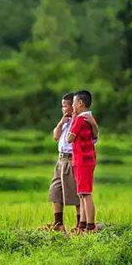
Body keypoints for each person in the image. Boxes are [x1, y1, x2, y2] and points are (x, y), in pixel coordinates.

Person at [45, 93, 81, 232]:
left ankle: (80, 224)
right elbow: (55, 136)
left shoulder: (78, 121)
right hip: (61, 160)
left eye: (65, 106)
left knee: (77, 193)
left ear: (73, 106)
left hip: (72, 159)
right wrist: (61, 121)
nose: (63, 108)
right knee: (55, 191)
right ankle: (58, 224)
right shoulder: (65, 122)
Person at [67, 90, 99, 233]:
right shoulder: (89, 118)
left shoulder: (80, 119)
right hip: (85, 159)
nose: (72, 105)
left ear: (80, 103)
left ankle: (90, 226)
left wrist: (73, 119)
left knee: (85, 193)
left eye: (73, 103)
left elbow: (69, 138)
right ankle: (83, 224)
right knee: (82, 193)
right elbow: (95, 137)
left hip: (82, 160)